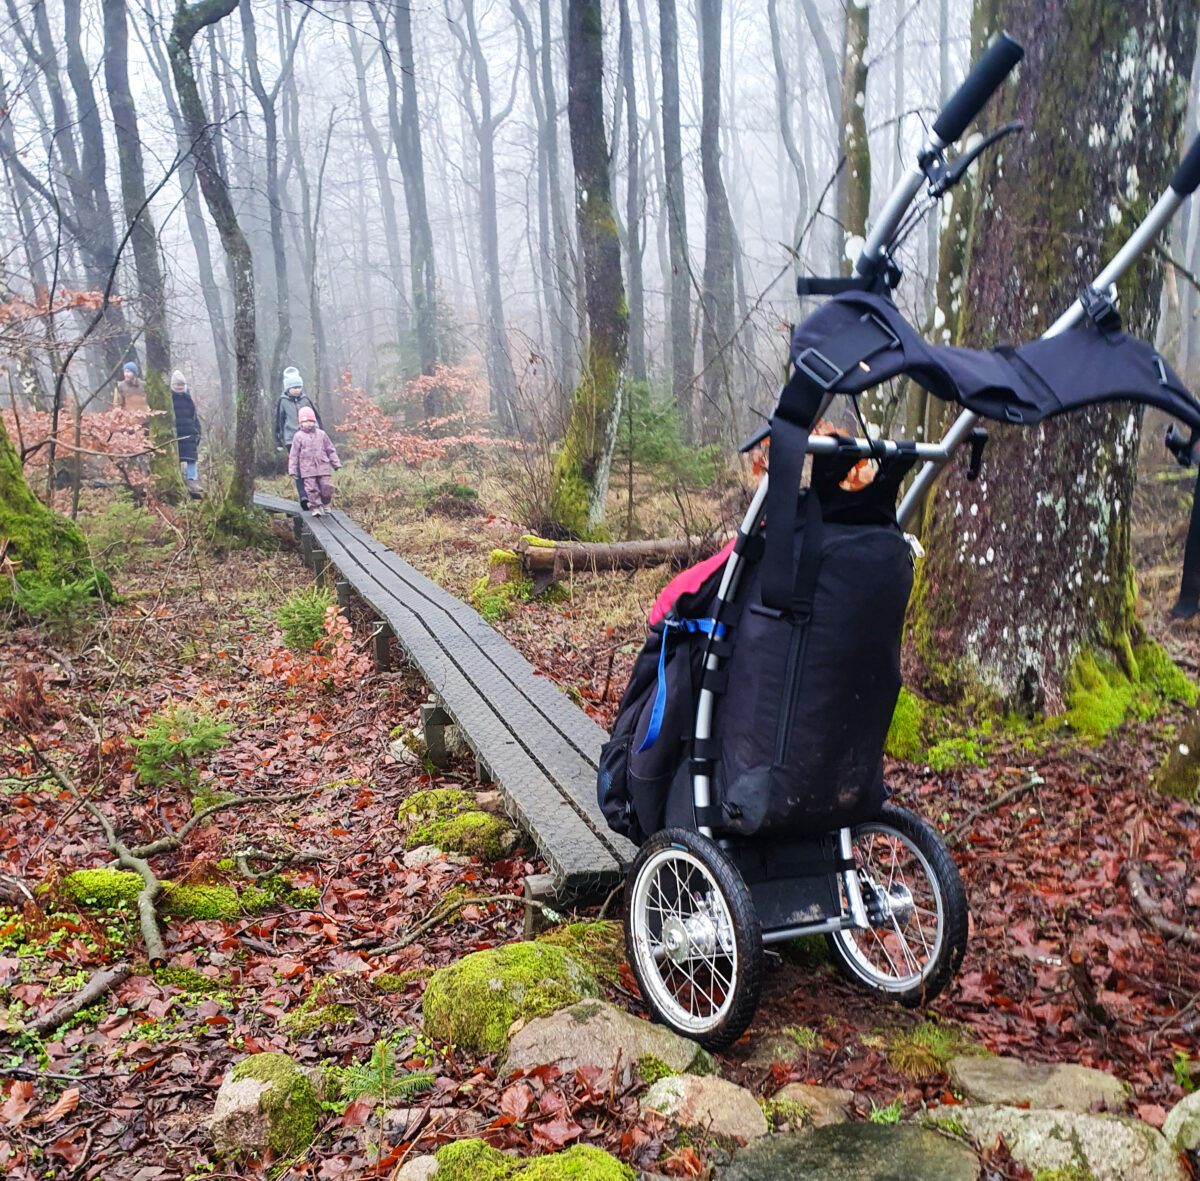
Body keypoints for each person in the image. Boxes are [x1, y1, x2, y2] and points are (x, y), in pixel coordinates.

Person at [274, 366, 322, 508]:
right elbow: (279, 421)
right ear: (287, 388)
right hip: (291, 439)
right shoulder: (283, 401)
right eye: (293, 387)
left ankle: (315, 495)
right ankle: (303, 496)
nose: (296, 390)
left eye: (298, 387)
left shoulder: (305, 400)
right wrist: (278, 440)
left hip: (310, 438)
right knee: (298, 468)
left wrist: (321, 434)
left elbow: (316, 417)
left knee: (312, 466)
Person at [287, 406, 339, 517]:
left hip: (322, 466)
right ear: (300, 423)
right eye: (305, 421)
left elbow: (330, 449)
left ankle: (325, 503)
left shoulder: (322, 434)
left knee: (327, 487)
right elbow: (294, 454)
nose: (308, 424)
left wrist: (335, 463)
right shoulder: (298, 436)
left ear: (314, 421)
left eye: (310, 421)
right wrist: (293, 470)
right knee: (311, 489)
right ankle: (315, 507)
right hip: (307, 468)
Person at [170, 370, 203, 498]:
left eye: (181, 385)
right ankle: (177, 477)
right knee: (175, 457)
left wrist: (197, 430)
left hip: (189, 432)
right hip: (176, 432)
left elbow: (194, 415)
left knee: (191, 458)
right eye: (177, 384)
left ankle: (192, 481)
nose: (179, 387)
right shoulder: (169, 398)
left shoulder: (188, 397)